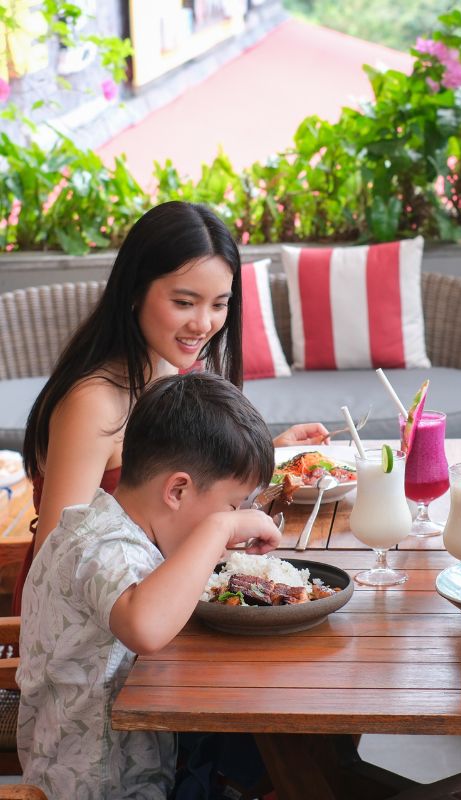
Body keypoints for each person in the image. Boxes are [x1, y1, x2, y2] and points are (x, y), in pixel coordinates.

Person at [15, 201, 328, 613]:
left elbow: (177, 488)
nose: (204, 324)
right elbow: (54, 566)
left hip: (157, 600)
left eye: (219, 304)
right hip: (93, 636)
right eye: (184, 302)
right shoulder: (93, 404)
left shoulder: (169, 369)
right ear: (134, 292)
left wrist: (263, 461)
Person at [17, 371, 283, 799]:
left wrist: (215, 536)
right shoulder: (104, 546)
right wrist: (218, 527)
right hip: (93, 781)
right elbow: (145, 627)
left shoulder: (116, 525)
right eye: (233, 503)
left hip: (132, 761)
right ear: (177, 490)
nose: (234, 517)